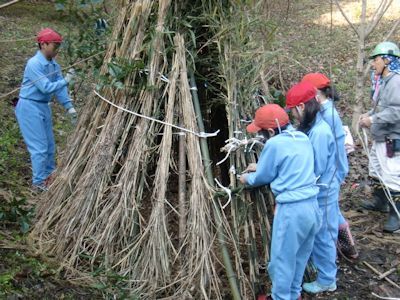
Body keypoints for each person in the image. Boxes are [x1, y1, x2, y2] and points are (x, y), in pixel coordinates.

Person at [240, 104, 321, 300]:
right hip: (312, 207)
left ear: (270, 131)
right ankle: (294, 294)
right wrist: (259, 166)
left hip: (292, 211)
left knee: (281, 261)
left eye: (261, 133)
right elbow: (290, 164)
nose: (261, 137)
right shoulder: (302, 137)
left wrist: (247, 178)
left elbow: (263, 177)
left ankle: (281, 297)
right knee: (300, 257)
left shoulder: (274, 144)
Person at [286, 82, 338, 294]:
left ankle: (327, 279)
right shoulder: (313, 125)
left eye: (294, 112)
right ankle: (323, 269)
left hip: (322, 192)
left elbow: (315, 167)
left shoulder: (320, 132)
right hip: (320, 189)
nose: (294, 117)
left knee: (323, 235)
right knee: (321, 233)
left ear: (301, 107)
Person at [301, 73, 358, 259]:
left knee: (329, 214)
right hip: (332, 171)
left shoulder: (328, 115)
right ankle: (346, 246)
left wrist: (337, 173)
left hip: (330, 172)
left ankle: (334, 254)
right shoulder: (324, 110)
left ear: (316, 93)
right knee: (332, 210)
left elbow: (332, 150)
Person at [15, 28, 77, 192]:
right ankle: (39, 184)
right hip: (29, 106)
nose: (57, 49)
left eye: (58, 46)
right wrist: (66, 80)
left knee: (50, 146)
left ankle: (49, 178)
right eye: (54, 46)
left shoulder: (53, 64)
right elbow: (46, 87)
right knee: (39, 148)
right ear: (43, 44)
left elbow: (59, 89)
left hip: (43, 106)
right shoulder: (34, 64)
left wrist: (69, 107)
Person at [359, 41, 400, 233]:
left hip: (392, 137)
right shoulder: (384, 82)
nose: (373, 65)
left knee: (392, 174)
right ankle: (380, 202)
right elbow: (381, 108)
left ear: (387, 60)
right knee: (376, 168)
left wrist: (373, 119)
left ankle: (396, 215)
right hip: (381, 136)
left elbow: (396, 112)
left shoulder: (397, 82)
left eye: (375, 60)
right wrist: (367, 115)